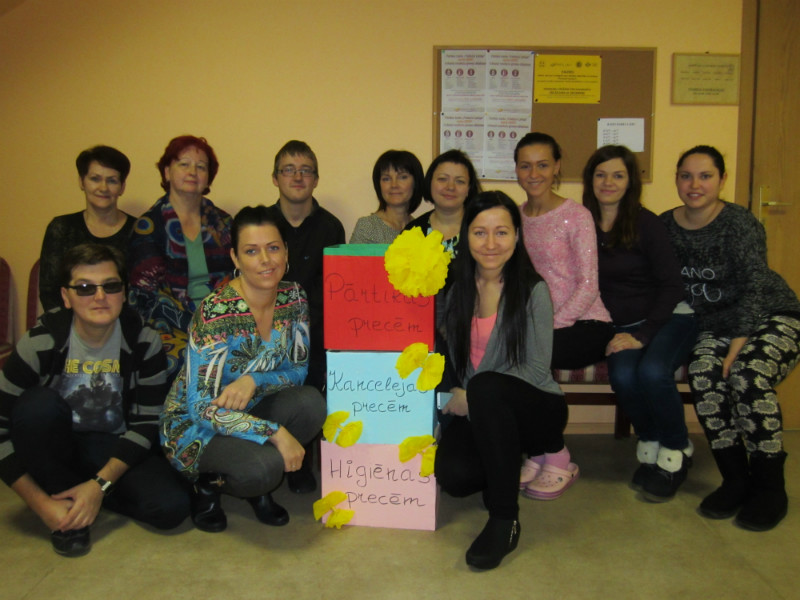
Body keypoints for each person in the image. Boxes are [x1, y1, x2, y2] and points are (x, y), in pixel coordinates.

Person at [0, 244, 190, 557]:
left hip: (110, 446)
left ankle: (86, 493)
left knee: (172, 507)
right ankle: (65, 511)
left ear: (124, 293)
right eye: (85, 288)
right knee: (37, 407)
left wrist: (99, 486)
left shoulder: (144, 341)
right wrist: (40, 504)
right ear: (66, 296)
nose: (100, 297)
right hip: (54, 442)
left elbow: (146, 424)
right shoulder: (39, 343)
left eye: (110, 286)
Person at [160, 206, 326, 533]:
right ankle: (208, 485)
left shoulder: (294, 297)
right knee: (264, 468)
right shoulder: (216, 313)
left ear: (286, 251)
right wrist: (275, 433)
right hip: (195, 426)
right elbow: (200, 408)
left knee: (311, 404)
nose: (265, 260)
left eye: (273, 247)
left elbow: (298, 370)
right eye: (251, 251)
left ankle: (254, 471)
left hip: (252, 404)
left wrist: (254, 380)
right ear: (235, 258)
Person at [661, 145, 800, 531]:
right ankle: (736, 480)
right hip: (713, 326)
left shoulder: (739, 222)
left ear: (722, 180)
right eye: (686, 176)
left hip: (772, 315)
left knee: (746, 374)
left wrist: (740, 342)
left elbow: (755, 284)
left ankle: (770, 488)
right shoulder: (665, 225)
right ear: (677, 179)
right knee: (703, 374)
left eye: (705, 176)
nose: (695, 184)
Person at [434, 191, 570, 570]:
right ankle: (504, 465)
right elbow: (435, 340)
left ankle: (505, 520)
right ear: (466, 236)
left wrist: (473, 395)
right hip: (480, 407)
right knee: (454, 477)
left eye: (502, 232)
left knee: (486, 387)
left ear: (517, 236)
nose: (490, 244)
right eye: (480, 232)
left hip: (537, 408)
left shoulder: (533, 289)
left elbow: (537, 369)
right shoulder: (457, 290)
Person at [583, 145, 697, 502]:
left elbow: (672, 286)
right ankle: (651, 441)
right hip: (622, 325)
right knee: (623, 377)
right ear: (590, 180)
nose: (608, 182)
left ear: (630, 181)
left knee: (652, 372)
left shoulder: (647, 223)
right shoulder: (583, 223)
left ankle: (677, 450)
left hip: (669, 318)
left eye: (618, 175)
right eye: (601, 174)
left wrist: (644, 334)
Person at [128, 135, 233, 384]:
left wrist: (218, 322)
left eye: (201, 166)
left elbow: (238, 278)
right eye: (183, 164)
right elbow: (147, 296)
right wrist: (197, 327)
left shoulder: (223, 222)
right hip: (168, 325)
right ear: (167, 172)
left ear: (208, 176)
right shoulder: (149, 226)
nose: (192, 172)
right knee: (187, 363)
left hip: (222, 320)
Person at [514, 132, 614, 370]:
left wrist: (550, 324)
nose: (534, 174)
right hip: (537, 325)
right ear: (516, 170)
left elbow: (589, 285)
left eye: (542, 165)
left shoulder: (577, 216)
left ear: (556, 167)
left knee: (524, 357)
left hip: (585, 324)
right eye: (526, 166)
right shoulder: (514, 217)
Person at [39, 145, 137, 311]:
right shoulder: (61, 228)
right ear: (81, 182)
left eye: (112, 180)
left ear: (122, 187)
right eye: (95, 179)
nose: (103, 188)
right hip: (69, 322)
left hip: (124, 322)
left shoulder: (139, 231)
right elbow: (50, 292)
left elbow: (140, 293)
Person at [405, 149, 482, 258]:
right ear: (430, 183)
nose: (450, 187)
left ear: (469, 189)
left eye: (460, 181)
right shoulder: (413, 231)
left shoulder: (482, 229)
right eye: (442, 179)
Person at [349, 150, 424, 243]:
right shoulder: (367, 227)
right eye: (386, 179)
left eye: (402, 177)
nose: (394, 185)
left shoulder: (422, 228)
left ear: (416, 182)